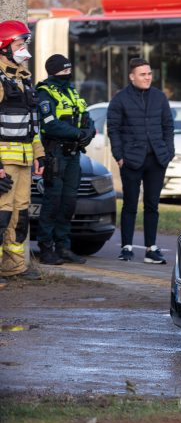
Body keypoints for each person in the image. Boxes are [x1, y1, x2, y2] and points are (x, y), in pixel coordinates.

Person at [107, 58, 174, 262]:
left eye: (149, 74)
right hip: (131, 160)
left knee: (152, 205)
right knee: (129, 204)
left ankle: (151, 248)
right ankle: (126, 247)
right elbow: (113, 129)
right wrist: (119, 156)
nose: (147, 78)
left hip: (156, 159)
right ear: (132, 76)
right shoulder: (120, 99)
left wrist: (168, 152)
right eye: (143, 74)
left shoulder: (159, 97)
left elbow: (168, 126)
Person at [35, 54, 96, 265]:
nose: (67, 74)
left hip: (73, 154)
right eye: (63, 71)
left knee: (69, 203)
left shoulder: (71, 91)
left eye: (69, 70)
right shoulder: (44, 93)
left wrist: (89, 131)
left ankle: (63, 247)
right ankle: (46, 248)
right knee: (53, 202)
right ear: (54, 72)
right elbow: (50, 124)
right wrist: (78, 134)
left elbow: (85, 116)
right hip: (56, 154)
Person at [0, 20, 45, 284]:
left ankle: (14, 267)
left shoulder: (23, 80)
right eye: (19, 44)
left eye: (25, 44)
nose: (23, 50)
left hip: (25, 159)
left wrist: (38, 154)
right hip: (4, 161)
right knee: (2, 215)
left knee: (21, 215)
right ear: (4, 47)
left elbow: (33, 125)